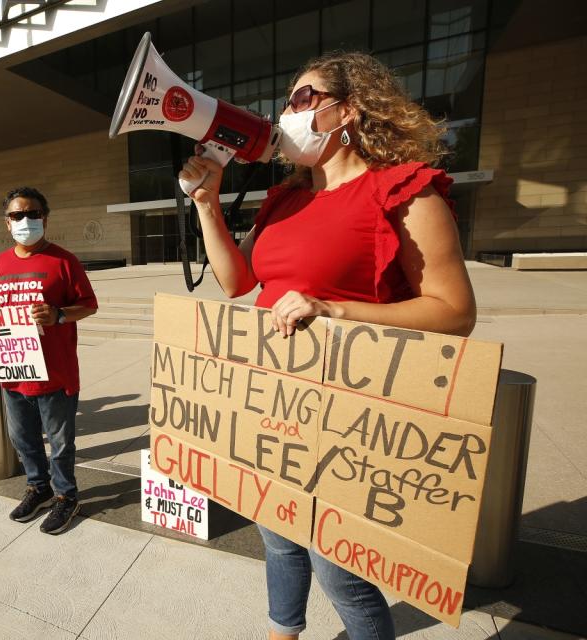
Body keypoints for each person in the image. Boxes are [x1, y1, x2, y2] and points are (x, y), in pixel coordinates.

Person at [179, 52, 476, 640]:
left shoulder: (402, 190)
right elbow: (239, 284)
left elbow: (455, 311)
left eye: (302, 99)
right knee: (278, 535)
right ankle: (282, 633)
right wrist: (206, 204)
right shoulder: (285, 200)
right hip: (273, 401)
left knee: (337, 567)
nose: (286, 113)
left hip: (345, 414)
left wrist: (334, 311)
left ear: (351, 109)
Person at [0, 186, 98, 535]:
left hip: (55, 374)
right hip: (13, 373)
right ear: (7, 222)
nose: (25, 221)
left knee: (59, 445)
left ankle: (66, 496)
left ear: (45, 217)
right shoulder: (0, 263)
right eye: (17, 215)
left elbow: (88, 305)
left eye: (32, 214)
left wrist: (59, 314)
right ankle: (38, 487)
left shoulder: (64, 260)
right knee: (24, 440)